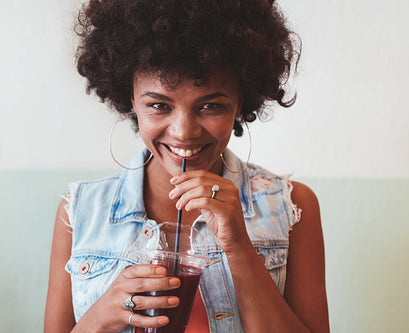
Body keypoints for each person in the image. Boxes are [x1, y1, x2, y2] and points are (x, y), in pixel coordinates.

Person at [44, 0, 329, 332]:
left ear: (240, 101)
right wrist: (101, 315)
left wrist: (238, 247)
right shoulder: (79, 213)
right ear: (130, 98)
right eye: (159, 105)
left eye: (210, 105)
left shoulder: (292, 208)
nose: (184, 132)